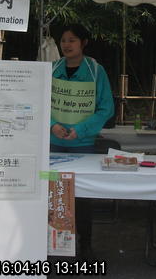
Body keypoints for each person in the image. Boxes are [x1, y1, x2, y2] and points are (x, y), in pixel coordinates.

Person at [50, 23, 114, 258]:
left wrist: (82, 129)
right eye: (63, 40)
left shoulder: (96, 70)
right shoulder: (51, 69)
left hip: (83, 145)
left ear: (84, 43)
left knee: (83, 197)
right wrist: (51, 125)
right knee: (55, 194)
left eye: (72, 40)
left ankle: (85, 244)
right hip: (53, 144)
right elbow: (40, 100)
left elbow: (106, 108)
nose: (66, 45)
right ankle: (53, 244)